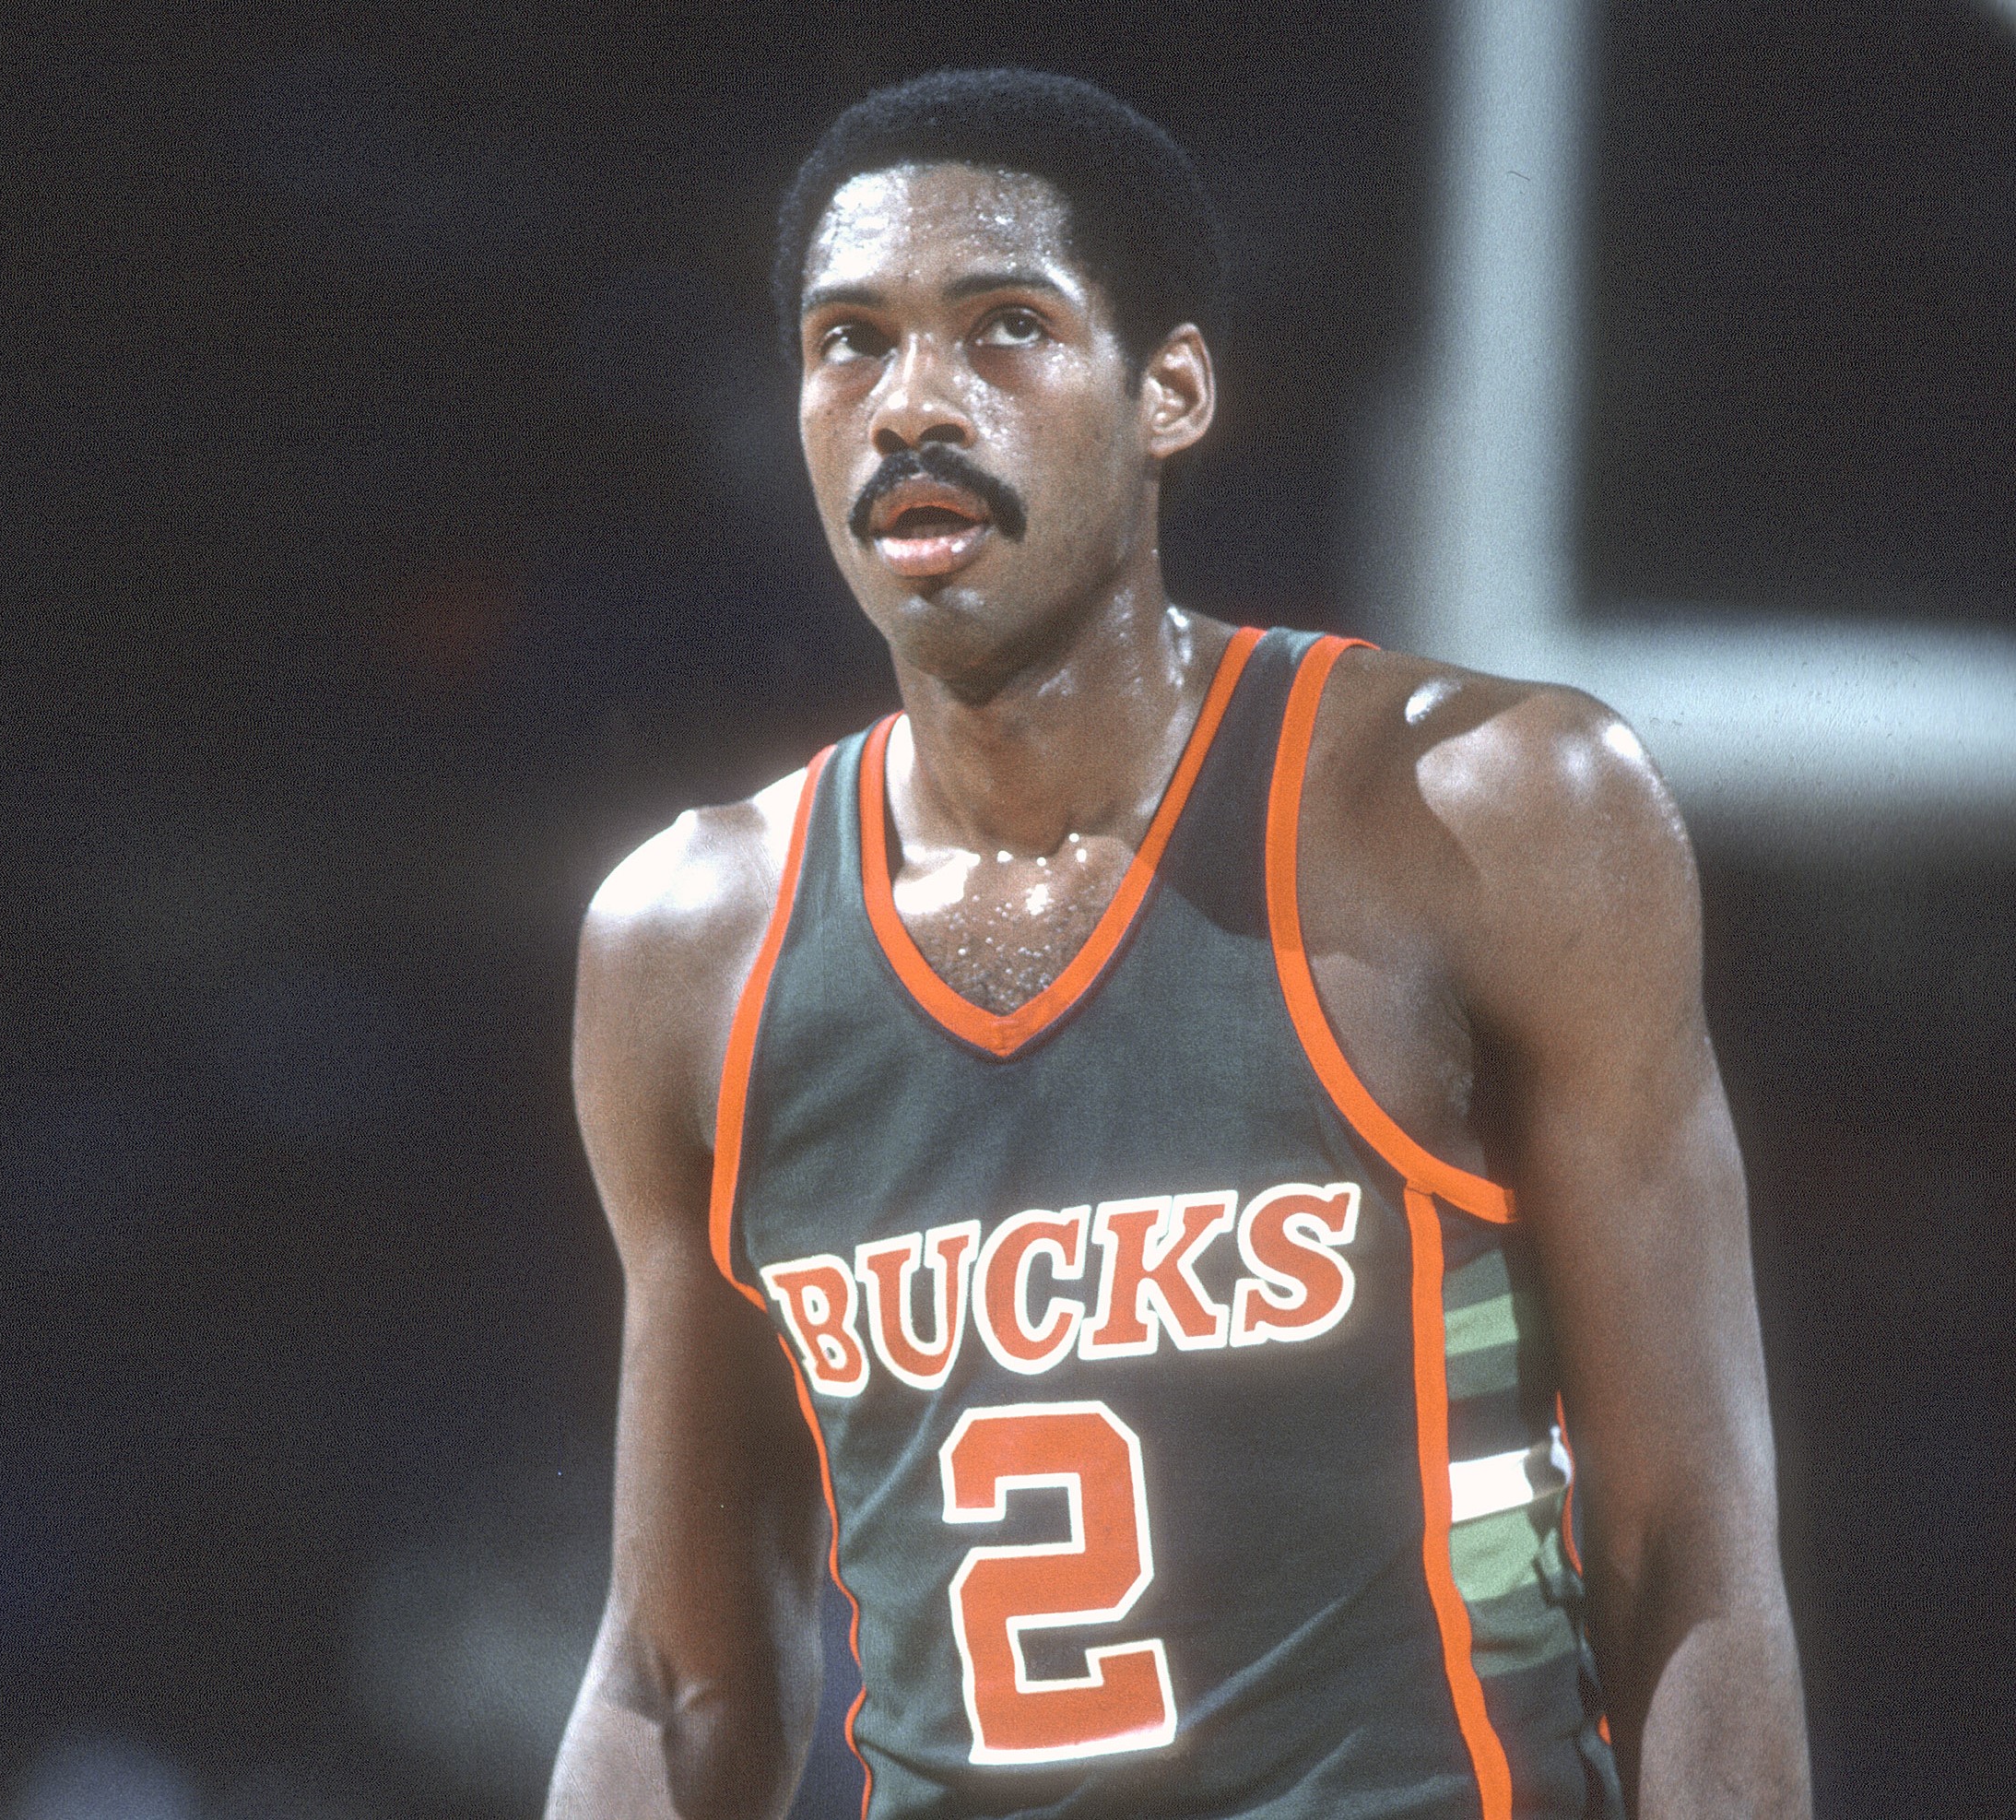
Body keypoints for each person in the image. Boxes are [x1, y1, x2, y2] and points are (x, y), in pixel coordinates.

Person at [546, 68, 1810, 1820]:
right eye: (850, 343)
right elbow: (677, 1683)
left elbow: (1687, 1560)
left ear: (1171, 391)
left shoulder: (1485, 811)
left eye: (1002, 329)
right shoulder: (687, 943)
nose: (913, 402)